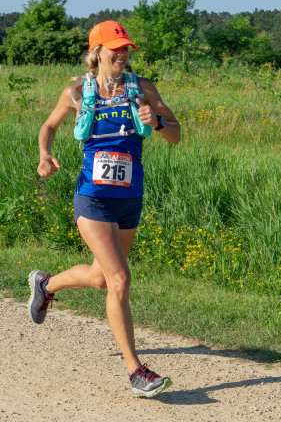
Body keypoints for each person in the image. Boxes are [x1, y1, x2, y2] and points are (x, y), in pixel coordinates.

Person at [27, 20, 181, 398]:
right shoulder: (77, 92)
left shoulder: (142, 88)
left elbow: (176, 134)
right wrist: (45, 154)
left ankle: (46, 285)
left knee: (101, 278)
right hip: (92, 196)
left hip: (130, 198)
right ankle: (136, 372)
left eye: (126, 47)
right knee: (120, 280)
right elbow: (49, 126)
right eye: (115, 48)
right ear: (96, 52)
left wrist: (157, 121)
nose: (123, 53)